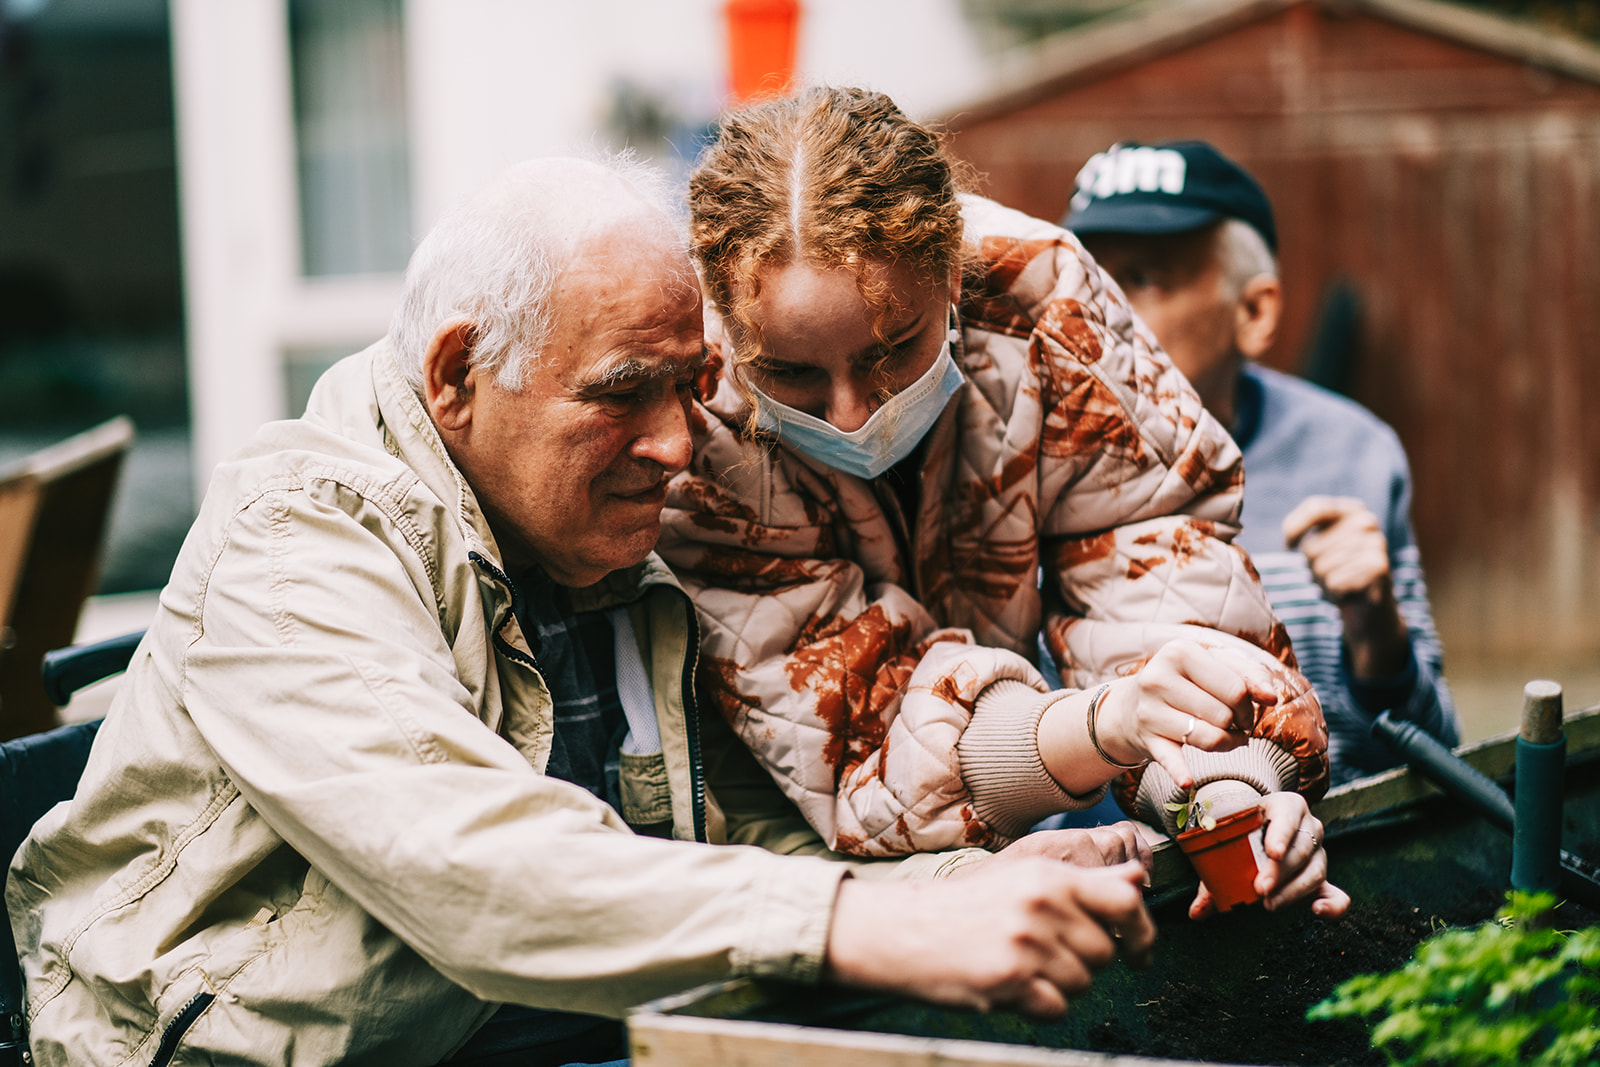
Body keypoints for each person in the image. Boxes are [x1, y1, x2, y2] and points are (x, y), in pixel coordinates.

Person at [7, 157, 1166, 1066]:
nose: (674, 443)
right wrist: (875, 926)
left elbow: (720, 845)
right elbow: (463, 855)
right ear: (458, 375)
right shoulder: (300, 534)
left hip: (524, 1029)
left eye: (690, 385)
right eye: (622, 394)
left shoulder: (593, 526)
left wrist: (969, 886)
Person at [661, 87, 1349, 918]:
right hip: (778, 853)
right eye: (793, 373)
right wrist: (1102, 726)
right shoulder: (694, 419)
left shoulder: (1041, 305)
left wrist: (1224, 788)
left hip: (1029, 801)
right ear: (732, 332)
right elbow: (857, 738)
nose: (851, 411)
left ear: (951, 268)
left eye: (892, 349)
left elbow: (1160, 568)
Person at [1063, 140, 1461, 784]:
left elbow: (1437, 762)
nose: (1100, 314)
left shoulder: (1353, 454)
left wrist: (1376, 632)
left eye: (1142, 279)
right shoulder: (1026, 475)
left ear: (1253, 311)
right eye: (1086, 281)